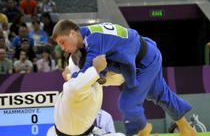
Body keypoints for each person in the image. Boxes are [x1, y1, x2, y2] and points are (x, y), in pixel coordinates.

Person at [52, 21, 197, 136]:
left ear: (72, 33)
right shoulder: (89, 35)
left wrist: (70, 76)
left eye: (62, 42)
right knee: (159, 92)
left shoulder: (93, 40)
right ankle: (186, 129)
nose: (62, 48)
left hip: (145, 61)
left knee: (127, 103)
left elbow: (88, 72)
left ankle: (143, 129)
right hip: (145, 53)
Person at [47, 54, 125, 136]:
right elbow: (75, 87)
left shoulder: (93, 79)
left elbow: (119, 80)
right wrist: (96, 68)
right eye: (103, 70)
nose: (106, 73)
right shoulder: (77, 88)